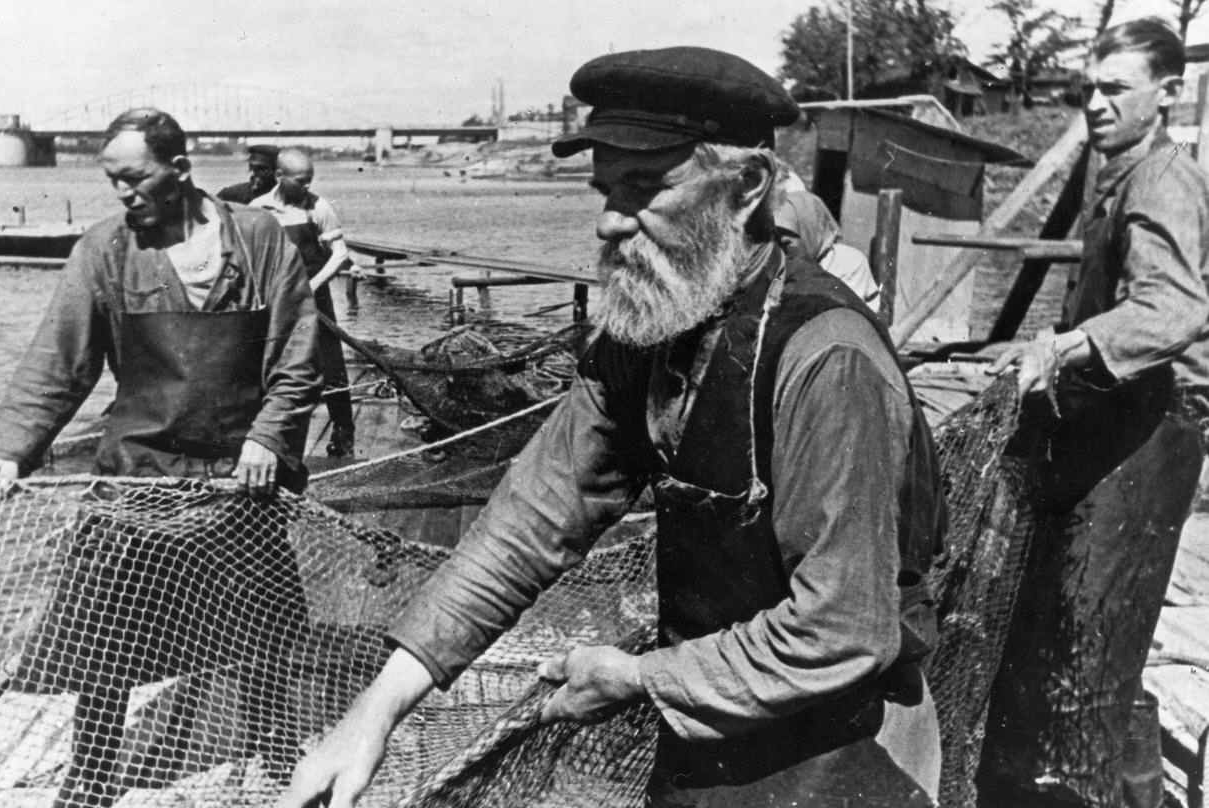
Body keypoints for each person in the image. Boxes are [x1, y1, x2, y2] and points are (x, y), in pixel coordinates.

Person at [279, 46, 946, 808]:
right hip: (706, 740)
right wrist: (375, 713)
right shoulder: (654, 326)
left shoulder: (827, 358)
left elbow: (843, 630)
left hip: (846, 750)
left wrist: (635, 678)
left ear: (748, 187)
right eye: (604, 190)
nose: (610, 221)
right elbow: (531, 518)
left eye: (644, 188)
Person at [0, 108, 321, 808]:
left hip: (236, 474)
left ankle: (278, 757)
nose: (122, 194)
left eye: (135, 179)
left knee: (263, 630)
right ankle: (92, 772)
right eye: (112, 181)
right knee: (105, 634)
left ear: (178, 172)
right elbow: (57, 364)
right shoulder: (103, 250)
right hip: (137, 472)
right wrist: (10, 451)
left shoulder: (259, 240)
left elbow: (298, 357)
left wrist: (267, 438)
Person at [980, 18, 1209, 808]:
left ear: (1168, 94)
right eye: (1091, 89)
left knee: (1086, 660)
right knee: (1106, 639)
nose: (1097, 105)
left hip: (1155, 429)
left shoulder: (1163, 180)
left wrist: (1069, 346)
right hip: (1120, 421)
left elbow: (1172, 307)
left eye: (1117, 89)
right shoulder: (1121, 174)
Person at [252, 147, 357, 457]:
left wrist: (311, 286)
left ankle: (343, 429)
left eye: (310, 180)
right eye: (300, 181)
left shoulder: (318, 208)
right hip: (276, 299)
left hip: (315, 295)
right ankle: (268, 433)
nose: (307, 187)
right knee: (271, 361)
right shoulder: (259, 210)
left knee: (330, 362)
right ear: (280, 176)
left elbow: (340, 255)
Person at [774, 190, 881, 312]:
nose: (782, 240)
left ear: (809, 229)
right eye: (778, 233)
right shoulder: (781, 264)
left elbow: (844, 315)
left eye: (790, 233)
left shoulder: (849, 263)